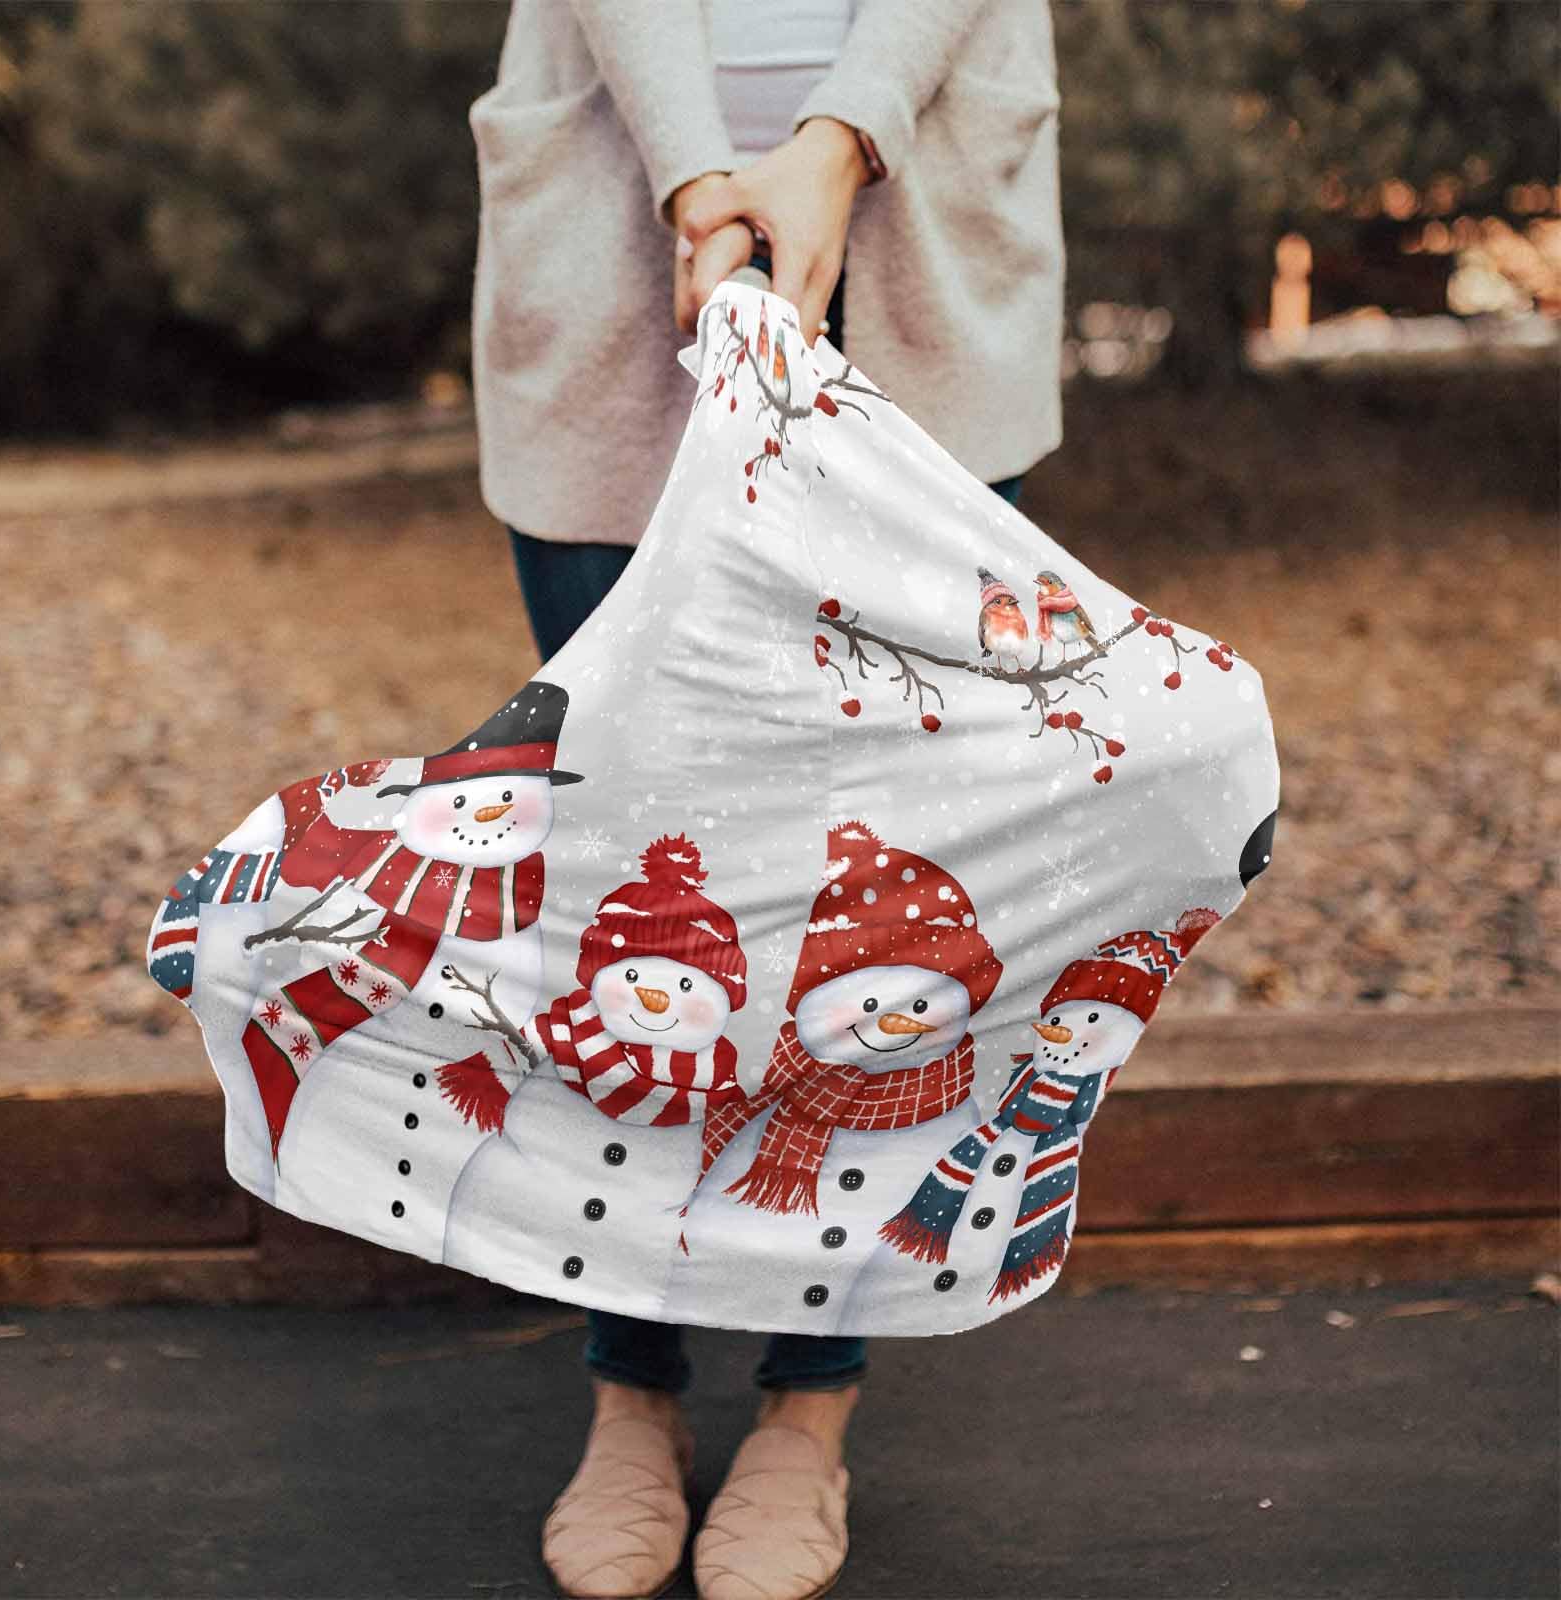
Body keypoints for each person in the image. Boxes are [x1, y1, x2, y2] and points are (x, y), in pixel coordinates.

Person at [467, 3, 1064, 1595]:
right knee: (630, 862)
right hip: (618, 218)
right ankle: (631, 1387)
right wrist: (695, 179)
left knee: (884, 897)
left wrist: (837, 138)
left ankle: (811, 1404)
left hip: (921, 215)